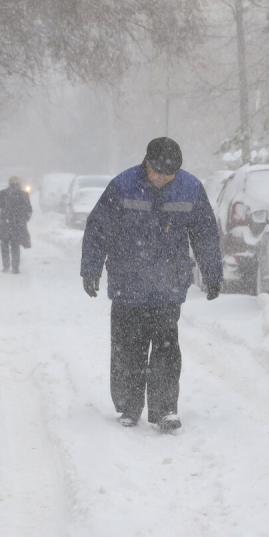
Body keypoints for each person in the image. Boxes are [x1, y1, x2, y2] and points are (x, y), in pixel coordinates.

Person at [80, 138, 222, 432]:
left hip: (168, 286)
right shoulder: (122, 185)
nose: (162, 179)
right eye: (158, 173)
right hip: (127, 283)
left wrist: (212, 272)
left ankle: (165, 409)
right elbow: (98, 228)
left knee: (166, 349)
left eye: (169, 175)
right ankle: (128, 406)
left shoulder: (191, 189)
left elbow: (205, 234)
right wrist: (91, 268)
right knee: (127, 349)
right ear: (147, 164)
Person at [0, 176, 32, 274]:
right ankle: (15, 267)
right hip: (17, 224)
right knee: (15, 245)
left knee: (4, 245)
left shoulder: (3, 193)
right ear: (19, 183)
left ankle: (6, 266)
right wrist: (24, 219)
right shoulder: (24, 194)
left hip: (4, 223)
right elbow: (28, 210)